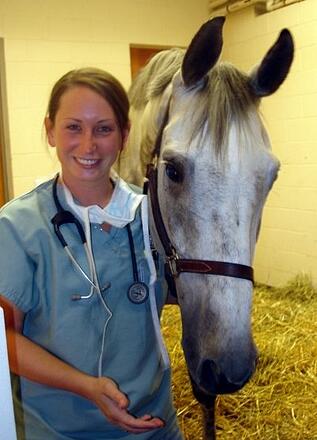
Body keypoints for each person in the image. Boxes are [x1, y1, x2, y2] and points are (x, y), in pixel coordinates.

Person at [0, 67, 183, 440]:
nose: (88, 145)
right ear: (50, 130)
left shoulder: (152, 213)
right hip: (60, 429)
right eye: (73, 128)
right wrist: (86, 386)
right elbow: (5, 338)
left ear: (124, 135)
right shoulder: (18, 227)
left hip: (155, 425)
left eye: (103, 128)